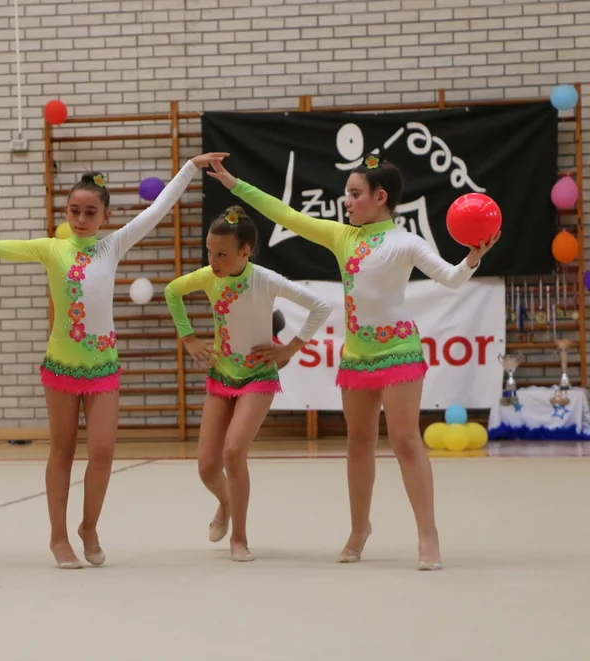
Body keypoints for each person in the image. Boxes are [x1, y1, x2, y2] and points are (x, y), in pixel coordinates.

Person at [0, 151, 230, 569]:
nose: (81, 219)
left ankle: (88, 527)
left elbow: (158, 209)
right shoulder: (51, 249)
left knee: (103, 451)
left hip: (102, 367)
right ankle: (58, 537)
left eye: (90, 212)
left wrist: (190, 167)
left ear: (105, 216)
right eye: (74, 211)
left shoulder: (113, 245)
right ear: (66, 212)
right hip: (61, 366)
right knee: (62, 451)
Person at [206, 155, 499, 571]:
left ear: (380, 198)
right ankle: (359, 529)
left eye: (355, 193)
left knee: (405, 442)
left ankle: (427, 535)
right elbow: (285, 214)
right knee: (358, 443)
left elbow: (450, 279)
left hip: (398, 351)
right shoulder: (341, 236)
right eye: (347, 193)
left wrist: (472, 257)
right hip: (358, 356)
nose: (346, 200)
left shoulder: (406, 242)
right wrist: (235, 185)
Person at [164, 206, 330, 562]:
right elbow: (172, 292)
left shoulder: (265, 279)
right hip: (221, 375)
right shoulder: (209, 277)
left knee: (233, 451)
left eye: (221, 254)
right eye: (209, 252)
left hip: (257, 376)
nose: (213, 261)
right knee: (207, 467)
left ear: (245, 251)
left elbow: (320, 306)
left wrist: (291, 348)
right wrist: (189, 339)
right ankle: (226, 503)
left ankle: (239, 538)